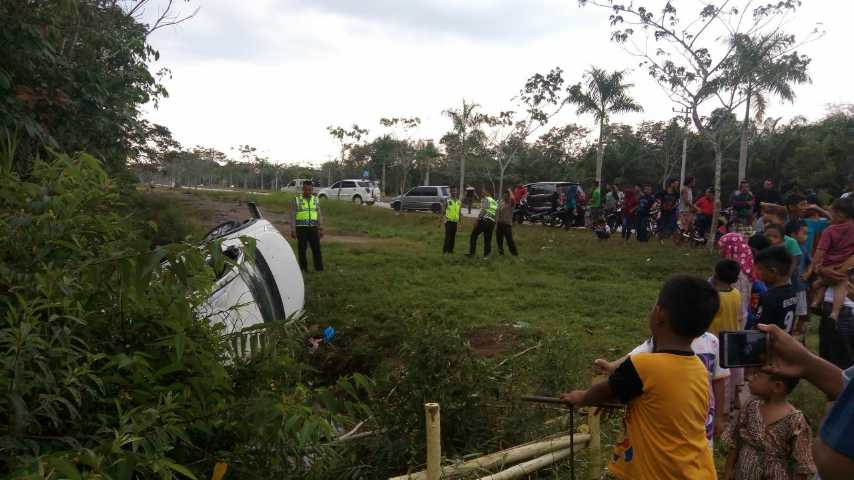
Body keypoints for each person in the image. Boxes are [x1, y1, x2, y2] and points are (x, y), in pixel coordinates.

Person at [561, 275, 720, 480]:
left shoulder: (643, 365)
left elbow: (605, 391)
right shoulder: (698, 367)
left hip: (657, 472)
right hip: (697, 469)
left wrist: (581, 397)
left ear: (660, 314)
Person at [594, 329, 730, 449]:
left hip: (702, 420)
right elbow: (634, 357)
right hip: (668, 420)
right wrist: (611, 366)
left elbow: (719, 381)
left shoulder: (712, 342)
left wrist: (718, 417)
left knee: (700, 454)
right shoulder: (663, 338)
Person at [756, 323, 854, 480]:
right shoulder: (752, 409)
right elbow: (847, 387)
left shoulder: (795, 421)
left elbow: (833, 463)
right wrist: (806, 363)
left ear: (777, 386)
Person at [722, 371, 815, 480]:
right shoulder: (750, 407)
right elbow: (736, 440)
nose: (750, 377)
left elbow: (801, 464)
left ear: (777, 386)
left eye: (758, 375)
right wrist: (728, 470)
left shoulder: (795, 421)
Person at [809, 197, 854, 320]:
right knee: (841, 284)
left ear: (839, 214)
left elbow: (820, 251)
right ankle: (835, 312)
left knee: (825, 282)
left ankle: (816, 301)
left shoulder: (829, 230)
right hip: (844, 265)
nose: (829, 216)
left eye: (831, 213)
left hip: (828, 262)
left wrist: (816, 266)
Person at [754, 246, 798, 333]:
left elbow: (760, 328)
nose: (757, 272)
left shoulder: (768, 297)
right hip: (786, 342)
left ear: (773, 271)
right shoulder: (792, 293)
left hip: (771, 344)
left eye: (760, 269)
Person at [290, 180, 324, 272]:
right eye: (306, 190)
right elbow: (292, 215)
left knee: (316, 249)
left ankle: (319, 269)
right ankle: (303, 268)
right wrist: (293, 229)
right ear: (303, 189)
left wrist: (321, 228)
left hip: (313, 228)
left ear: (312, 189)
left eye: (310, 190)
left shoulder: (315, 199)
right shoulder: (297, 200)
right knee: (302, 249)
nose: (308, 192)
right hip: (301, 229)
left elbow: (319, 214)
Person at [785, 221, 811, 335]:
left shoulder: (804, 248)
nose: (806, 236)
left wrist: (807, 273)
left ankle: (799, 330)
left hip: (800, 286)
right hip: (790, 285)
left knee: (800, 311)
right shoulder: (788, 246)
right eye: (804, 233)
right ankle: (790, 329)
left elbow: (811, 263)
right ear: (793, 234)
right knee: (791, 308)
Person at [710, 260, 743, 337]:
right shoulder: (736, 293)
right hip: (731, 337)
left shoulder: (712, 296)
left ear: (715, 274)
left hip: (715, 339)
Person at [467, 188, 497, 258]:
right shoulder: (494, 201)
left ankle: (472, 253)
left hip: (484, 220)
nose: (482, 194)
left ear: (488, 193)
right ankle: (486, 256)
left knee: (473, 235)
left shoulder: (485, 199)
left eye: (483, 192)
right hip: (492, 222)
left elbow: (484, 210)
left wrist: (477, 220)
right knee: (488, 239)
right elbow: (496, 212)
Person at [495, 189, 518, 256]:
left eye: (506, 196)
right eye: (504, 195)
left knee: (509, 240)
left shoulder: (511, 204)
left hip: (507, 224)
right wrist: (496, 223)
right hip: (499, 224)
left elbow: (513, 199)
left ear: (508, 196)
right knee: (499, 240)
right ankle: (501, 253)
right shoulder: (501, 202)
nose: (504, 197)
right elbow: (497, 212)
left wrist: (510, 192)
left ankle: (514, 254)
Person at [441, 186, 462, 254]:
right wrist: (441, 220)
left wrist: (460, 223)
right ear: (450, 192)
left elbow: (459, 212)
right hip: (448, 221)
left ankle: (450, 251)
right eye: (453, 191)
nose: (454, 192)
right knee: (448, 236)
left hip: (455, 222)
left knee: (453, 237)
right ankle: (445, 251)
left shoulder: (459, 202)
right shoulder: (447, 200)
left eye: (455, 191)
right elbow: (443, 210)